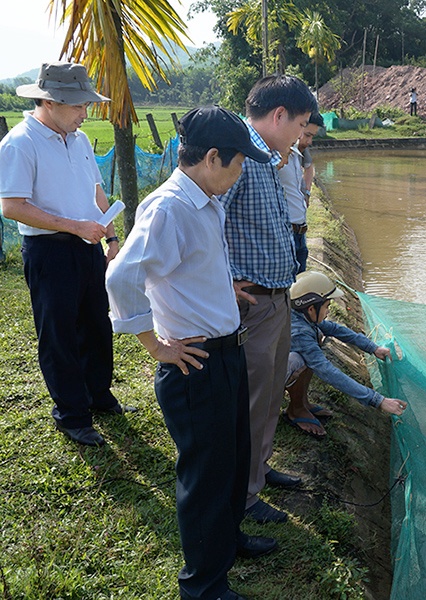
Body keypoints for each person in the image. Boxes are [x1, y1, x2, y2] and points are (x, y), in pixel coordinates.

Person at [106, 106, 276, 600]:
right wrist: (156, 345)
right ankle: (203, 586)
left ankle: (228, 542)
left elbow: (190, 267)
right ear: (213, 157)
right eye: (239, 162)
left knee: (233, 456)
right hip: (194, 362)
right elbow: (121, 278)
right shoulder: (170, 207)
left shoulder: (206, 198)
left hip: (225, 353)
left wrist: (226, 293)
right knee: (205, 474)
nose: (241, 171)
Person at [0, 62, 131, 447]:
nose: (84, 114)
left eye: (85, 105)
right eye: (77, 106)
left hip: (89, 246)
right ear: (49, 101)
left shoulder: (80, 140)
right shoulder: (20, 143)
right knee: (59, 334)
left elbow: (95, 192)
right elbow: (11, 205)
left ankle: (98, 396)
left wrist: (110, 235)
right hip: (49, 251)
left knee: (96, 324)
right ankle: (72, 414)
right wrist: (74, 226)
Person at [220, 74, 318, 525]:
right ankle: (241, 495)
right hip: (252, 303)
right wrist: (223, 281)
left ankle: (257, 470)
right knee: (253, 398)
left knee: (267, 393)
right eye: (300, 124)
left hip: (275, 299)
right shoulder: (235, 157)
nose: (302, 134)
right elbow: (205, 222)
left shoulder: (267, 157)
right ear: (278, 116)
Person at [282, 271, 407, 438]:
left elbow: (334, 329)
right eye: (327, 306)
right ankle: (296, 411)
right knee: (299, 359)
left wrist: (372, 348)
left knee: (316, 338)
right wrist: (378, 400)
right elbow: (327, 371)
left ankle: (302, 403)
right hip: (258, 384)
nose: (328, 311)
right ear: (311, 308)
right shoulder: (298, 332)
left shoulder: (299, 315)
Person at [278, 111, 325, 273]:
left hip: (300, 233)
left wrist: (306, 193)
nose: (309, 141)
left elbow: (309, 169)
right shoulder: (275, 156)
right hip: (285, 234)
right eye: (307, 135)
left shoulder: (297, 153)